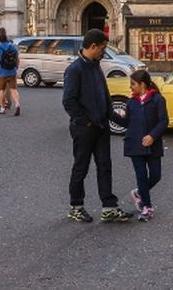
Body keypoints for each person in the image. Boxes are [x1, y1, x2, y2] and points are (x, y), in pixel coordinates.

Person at [62, 29, 128, 223]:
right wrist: (86, 121)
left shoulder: (96, 66)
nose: (103, 52)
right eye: (102, 48)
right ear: (92, 46)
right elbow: (69, 102)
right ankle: (76, 206)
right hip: (84, 128)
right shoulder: (75, 70)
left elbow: (105, 100)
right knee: (81, 167)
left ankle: (109, 207)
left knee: (105, 166)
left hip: (101, 126)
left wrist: (124, 122)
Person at [123, 68, 168, 220]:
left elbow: (163, 121)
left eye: (133, 84)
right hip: (135, 144)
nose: (131, 87)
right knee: (141, 176)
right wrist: (109, 114)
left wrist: (152, 136)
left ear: (142, 84)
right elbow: (126, 122)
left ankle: (139, 193)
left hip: (153, 145)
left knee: (156, 175)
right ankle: (147, 207)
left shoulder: (158, 100)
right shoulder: (131, 102)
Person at [0, 28, 22, 116]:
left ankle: (2, 108)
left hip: (2, 72)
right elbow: (17, 59)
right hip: (12, 71)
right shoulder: (13, 47)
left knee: (0, 90)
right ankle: (17, 104)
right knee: (13, 89)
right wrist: (16, 69)